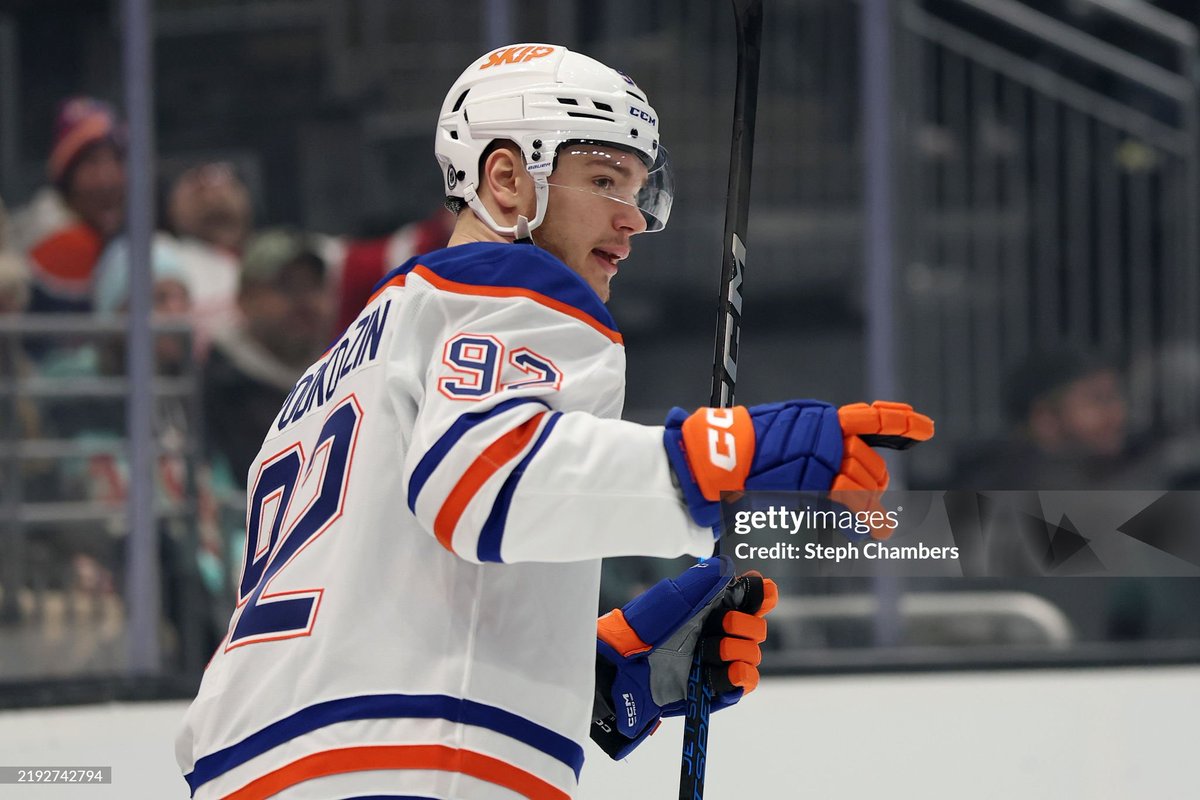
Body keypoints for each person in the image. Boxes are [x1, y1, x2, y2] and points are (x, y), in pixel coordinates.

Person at [176, 43, 933, 799]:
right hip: (404, 766)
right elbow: (480, 484)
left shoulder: (339, 367)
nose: (632, 219)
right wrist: (729, 450)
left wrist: (588, 669)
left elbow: (397, 575)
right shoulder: (515, 278)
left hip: (259, 764)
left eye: (639, 189)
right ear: (507, 179)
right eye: (605, 180)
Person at [201, 227, 334, 484]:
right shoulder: (212, 389)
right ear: (245, 299)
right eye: (288, 287)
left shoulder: (347, 375)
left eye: (314, 287)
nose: (305, 302)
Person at [8, 97, 126, 314]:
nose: (107, 179)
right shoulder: (67, 240)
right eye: (91, 162)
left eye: (117, 159)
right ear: (66, 179)